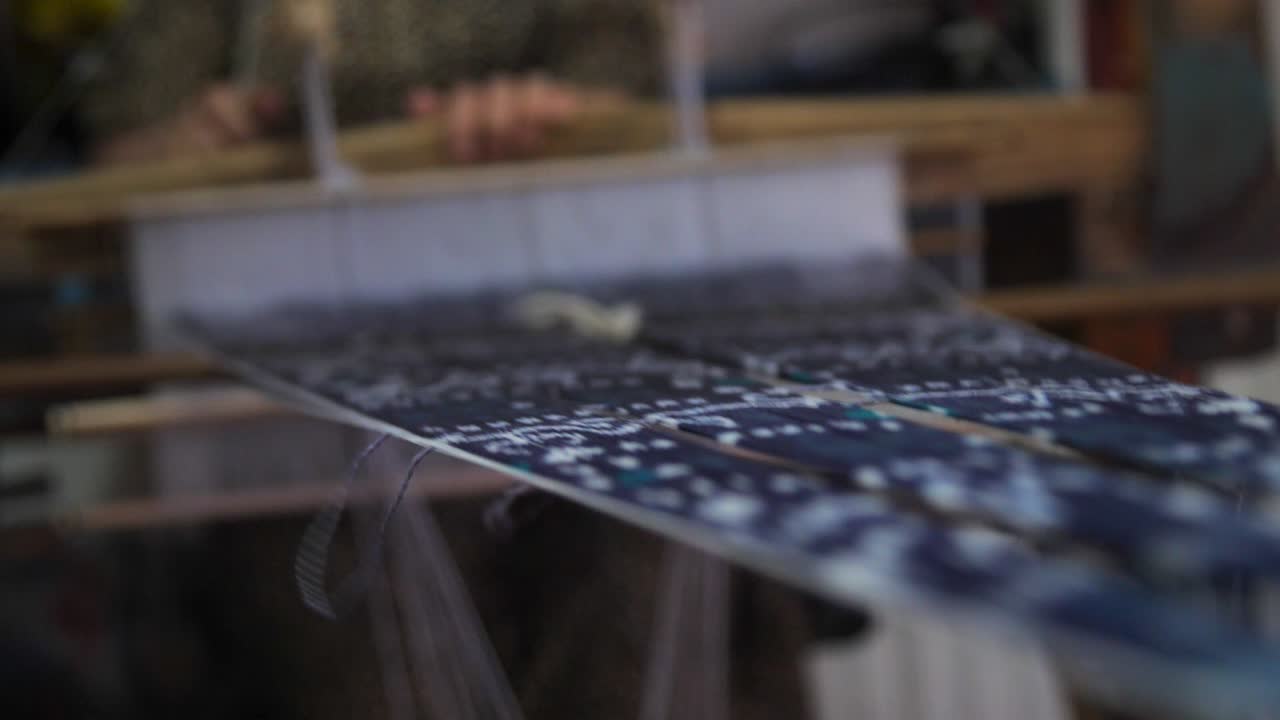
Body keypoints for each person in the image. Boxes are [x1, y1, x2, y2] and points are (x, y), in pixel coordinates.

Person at [84, 0, 660, 165]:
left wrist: (547, 112)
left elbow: (625, 100)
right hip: (274, 253)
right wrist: (181, 146)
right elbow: (117, 153)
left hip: (524, 240)